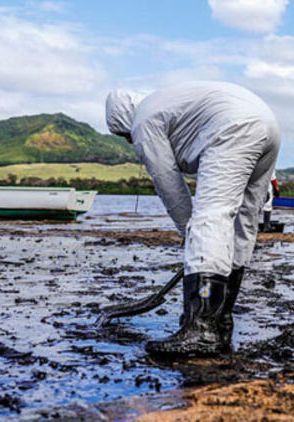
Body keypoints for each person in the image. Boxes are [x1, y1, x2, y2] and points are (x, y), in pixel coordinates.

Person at [105, 81, 280, 356]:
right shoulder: (163, 102)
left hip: (233, 126)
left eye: (124, 135)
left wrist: (191, 234)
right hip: (268, 125)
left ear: (123, 121)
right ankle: (219, 320)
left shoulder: (143, 121)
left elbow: (168, 184)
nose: (130, 140)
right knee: (242, 223)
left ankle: (202, 328)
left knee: (210, 217)